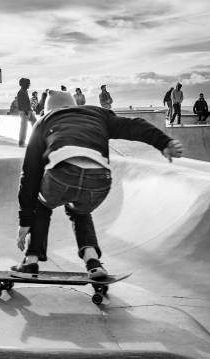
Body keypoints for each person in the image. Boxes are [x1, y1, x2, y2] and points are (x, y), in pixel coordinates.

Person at [12, 90, 183, 278]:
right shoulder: (97, 113)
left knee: (41, 205)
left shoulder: (44, 121)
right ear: (74, 105)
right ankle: (93, 262)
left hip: (63, 173)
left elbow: (30, 174)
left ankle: (31, 261)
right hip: (100, 179)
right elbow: (134, 126)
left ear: (48, 110)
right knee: (80, 211)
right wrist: (164, 142)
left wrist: (25, 221)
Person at [17, 77, 37, 147]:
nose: (29, 85)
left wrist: (30, 110)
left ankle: (36, 140)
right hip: (24, 111)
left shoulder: (25, 91)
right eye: (28, 84)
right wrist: (26, 111)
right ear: (24, 84)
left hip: (28, 111)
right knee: (24, 127)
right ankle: (21, 142)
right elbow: (21, 103)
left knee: (35, 123)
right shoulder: (20, 92)